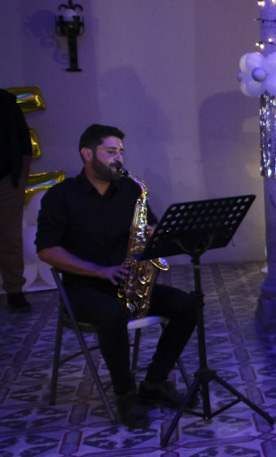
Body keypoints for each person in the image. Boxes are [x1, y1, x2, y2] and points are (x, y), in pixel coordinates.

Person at [36, 124, 197, 429]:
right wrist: (98, 270)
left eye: (121, 152)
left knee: (187, 306)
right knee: (113, 315)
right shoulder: (60, 196)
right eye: (111, 152)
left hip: (128, 282)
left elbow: (151, 231)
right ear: (87, 154)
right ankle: (125, 394)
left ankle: (155, 382)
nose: (118, 158)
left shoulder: (132, 190)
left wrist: (154, 236)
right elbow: (46, 250)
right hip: (84, 287)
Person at [1, 88, 33, 313]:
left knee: (10, 236)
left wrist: (21, 178)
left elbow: (24, 141)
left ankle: (14, 290)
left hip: (6, 178)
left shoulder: (5, 101)